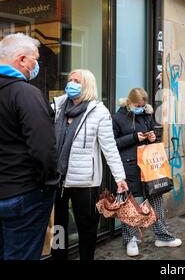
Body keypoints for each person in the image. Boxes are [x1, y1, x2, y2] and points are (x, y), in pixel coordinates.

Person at [0, 33, 58, 260]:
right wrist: (50, 182)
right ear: (22, 60)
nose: (37, 65)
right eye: (36, 60)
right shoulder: (25, 93)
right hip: (22, 194)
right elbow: (43, 148)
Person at [51, 69, 128, 260]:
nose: (71, 83)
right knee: (58, 227)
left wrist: (120, 177)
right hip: (58, 179)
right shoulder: (59, 106)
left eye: (76, 80)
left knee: (86, 228)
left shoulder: (98, 112)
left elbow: (109, 148)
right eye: (69, 79)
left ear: (87, 85)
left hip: (85, 183)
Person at [113, 88, 182, 257]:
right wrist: (135, 137)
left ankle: (162, 236)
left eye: (143, 105)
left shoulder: (146, 113)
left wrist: (153, 137)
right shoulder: (118, 117)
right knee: (131, 204)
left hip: (150, 165)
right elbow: (113, 143)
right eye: (138, 105)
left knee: (156, 198)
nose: (141, 108)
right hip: (129, 166)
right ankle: (131, 240)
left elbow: (155, 134)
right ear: (129, 103)